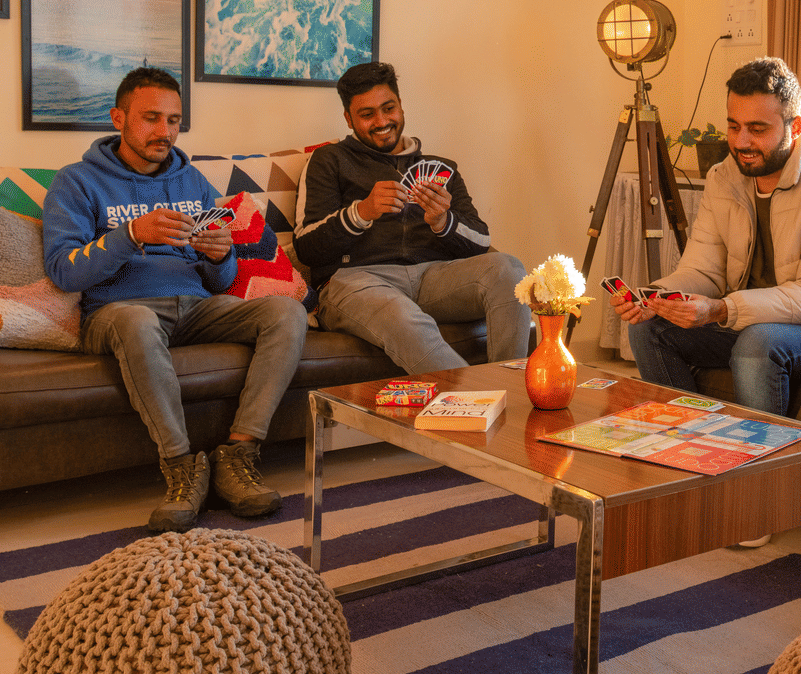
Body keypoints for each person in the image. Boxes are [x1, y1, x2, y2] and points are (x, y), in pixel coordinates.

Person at [43, 67, 307, 533]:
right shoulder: (77, 182)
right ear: (118, 117)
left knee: (285, 312)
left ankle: (238, 454)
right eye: (151, 118)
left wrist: (220, 254)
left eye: (174, 120)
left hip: (197, 305)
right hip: (119, 310)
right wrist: (129, 235)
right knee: (137, 322)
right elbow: (65, 272)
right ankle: (182, 469)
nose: (164, 131)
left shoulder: (192, 183)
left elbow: (221, 279)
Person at [612, 57, 801, 419]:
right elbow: (703, 272)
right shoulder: (724, 176)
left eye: (757, 129)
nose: (741, 142)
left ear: (795, 126)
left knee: (758, 343)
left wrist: (722, 309)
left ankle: (755, 470)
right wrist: (657, 298)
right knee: (649, 330)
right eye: (734, 126)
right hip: (753, 318)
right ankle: (690, 445)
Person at [293, 61, 528, 374]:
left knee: (509, 269)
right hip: (356, 282)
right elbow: (306, 248)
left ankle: (509, 388)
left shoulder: (441, 167)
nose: (381, 121)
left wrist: (444, 222)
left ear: (401, 106)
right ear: (349, 119)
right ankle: (482, 402)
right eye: (367, 114)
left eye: (388, 108)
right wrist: (361, 212)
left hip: (433, 278)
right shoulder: (328, 160)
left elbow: (482, 242)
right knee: (401, 315)